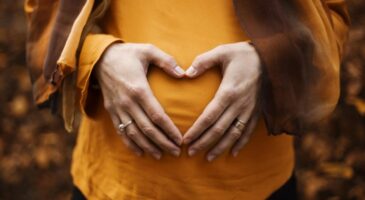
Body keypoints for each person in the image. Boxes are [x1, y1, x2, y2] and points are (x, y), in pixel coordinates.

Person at [24, 0, 349, 199]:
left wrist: (268, 61)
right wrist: (97, 59)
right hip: (115, 187)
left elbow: (330, 22)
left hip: (256, 188)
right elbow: (48, 14)